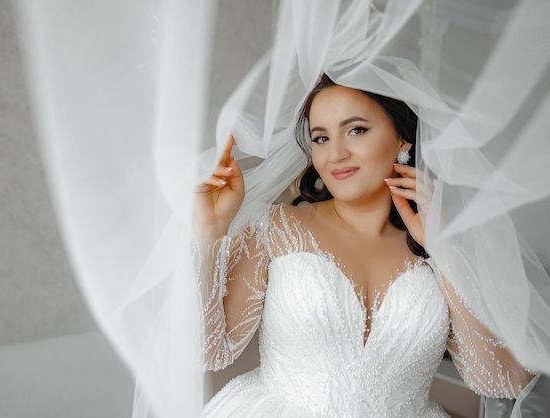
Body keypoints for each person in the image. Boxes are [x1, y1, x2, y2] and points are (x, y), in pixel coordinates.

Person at [194, 74, 534, 416]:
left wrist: (444, 249)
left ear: (403, 138)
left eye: (356, 130)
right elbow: (210, 351)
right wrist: (210, 232)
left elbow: (502, 381)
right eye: (321, 138)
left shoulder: (443, 246)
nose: (336, 154)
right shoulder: (275, 229)